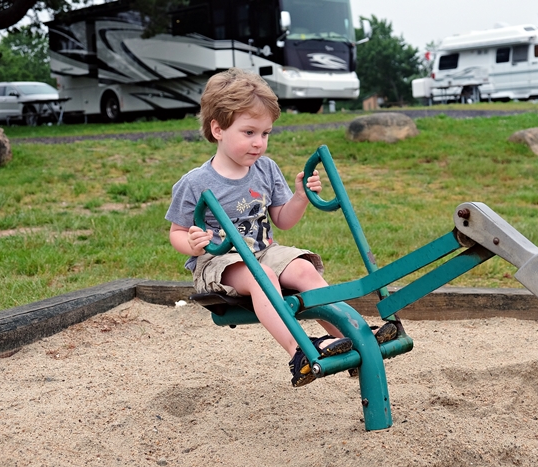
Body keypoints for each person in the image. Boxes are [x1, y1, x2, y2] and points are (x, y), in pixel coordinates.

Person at [165, 68, 397, 387]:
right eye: (249, 133)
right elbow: (177, 232)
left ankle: (353, 335)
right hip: (219, 262)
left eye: (266, 133)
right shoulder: (195, 183)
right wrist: (191, 243)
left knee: (303, 270)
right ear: (217, 129)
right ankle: (300, 350)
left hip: (264, 251)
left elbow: (283, 219)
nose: (259, 143)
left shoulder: (266, 169)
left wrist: (300, 196)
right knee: (265, 278)